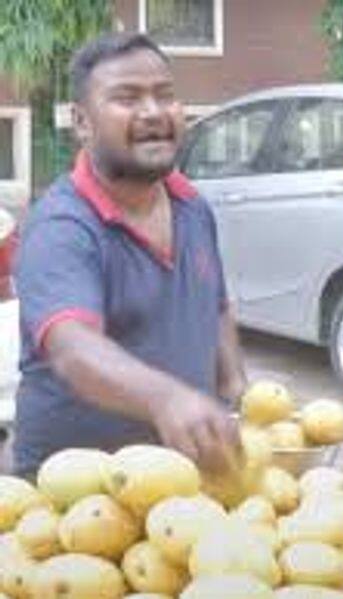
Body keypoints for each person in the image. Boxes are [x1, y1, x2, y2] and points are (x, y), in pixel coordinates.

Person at [13, 33, 245, 477]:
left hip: (182, 480)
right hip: (76, 501)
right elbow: (73, 349)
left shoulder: (192, 207)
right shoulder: (62, 226)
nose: (154, 112)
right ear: (82, 122)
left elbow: (215, 305)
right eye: (127, 98)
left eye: (165, 95)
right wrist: (169, 399)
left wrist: (234, 387)